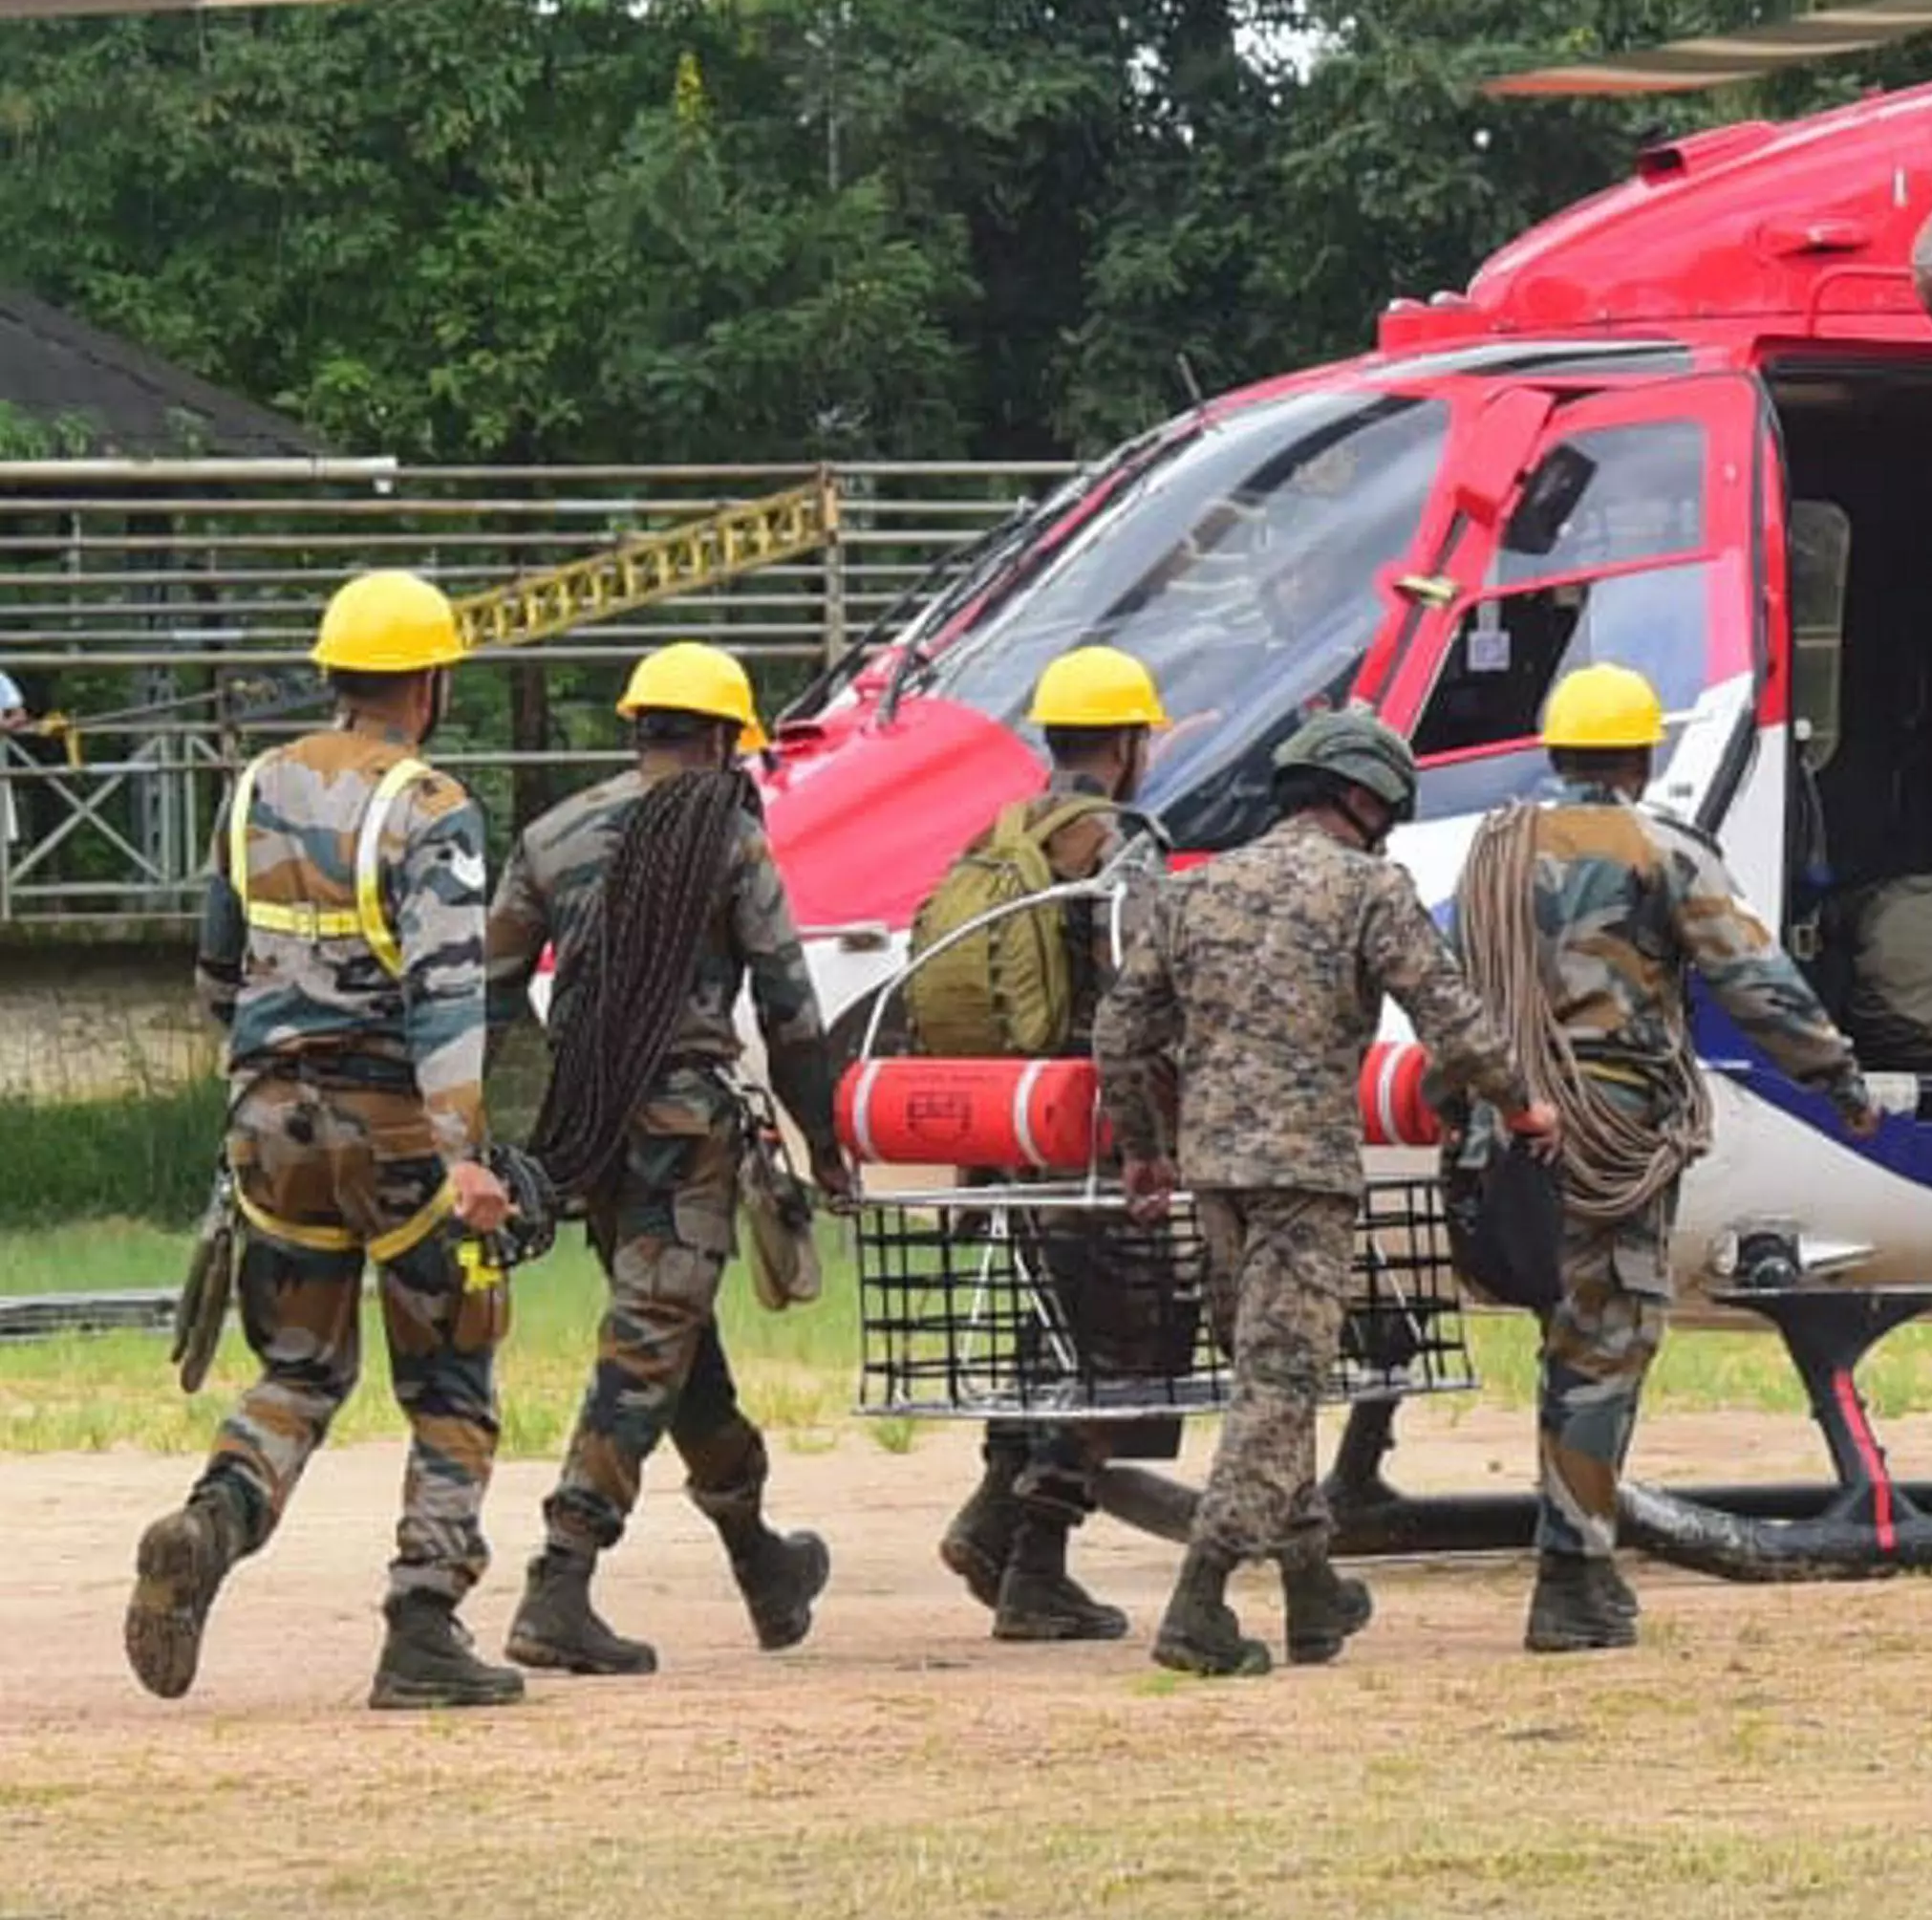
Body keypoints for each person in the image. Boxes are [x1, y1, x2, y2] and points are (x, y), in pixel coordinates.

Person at [127, 569, 525, 1711]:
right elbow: (449, 995)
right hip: (394, 1128)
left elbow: (216, 966)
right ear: (430, 680)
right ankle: (422, 1620)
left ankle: (212, 1520)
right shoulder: (430, 803)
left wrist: (269, 1062)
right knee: (452, 1371)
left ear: (337, 673)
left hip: (269, 1121)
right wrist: (463, 1152)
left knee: (298, 1367)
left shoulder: (257, 784)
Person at [1096, 708, 1554, 1676]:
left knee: (1265, 1376)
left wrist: (1144, 1149)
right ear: (1367, 798)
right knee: (1281, 1382)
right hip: (1305, 1176)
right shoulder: (1369, 889)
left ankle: (1312, 1591)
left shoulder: (1197, 887)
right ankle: (1200, 1602)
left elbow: (1120, 1031)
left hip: (1214, 1172)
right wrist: (1521, 1106)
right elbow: (1453, 1016)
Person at [1469, 662, 1878, 1654]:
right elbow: (1755, 977)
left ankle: (1575, 1548)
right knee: (1603, 1337)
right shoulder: (1663, 849)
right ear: (1641, 754)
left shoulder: (1493, 845)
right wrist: (1837, 1073)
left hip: (1504, 1127)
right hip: (1611, 1133)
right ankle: (1573, 1576)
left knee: (1565, 1335)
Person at [487, 641, 845, 1678]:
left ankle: (760, 1559)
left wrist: (510, 1145)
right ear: (729, 738)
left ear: (638, 725)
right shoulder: (731, 840)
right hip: (682, 1132)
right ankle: (560, 1576)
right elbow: (790, 1007)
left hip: (587, 1131)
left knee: (677, 1336)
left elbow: (492, 995)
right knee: (649, 1339)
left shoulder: (551, 835)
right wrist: (824, 1144)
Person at [932, 641, 1170, 1643]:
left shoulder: (1000, 832)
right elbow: (1141, 997)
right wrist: (1147, 1138)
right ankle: (1035, 1558)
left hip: (1010, 1123)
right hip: (1087, 1128)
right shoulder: (1121, 843)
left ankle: (996, 1520)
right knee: (1125, 1341)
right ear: (1125, 741)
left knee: (1050, 1328)